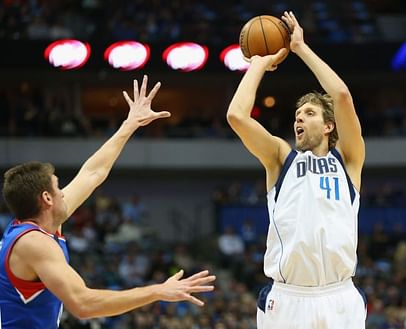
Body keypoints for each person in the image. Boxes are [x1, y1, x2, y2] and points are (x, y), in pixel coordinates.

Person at [0, 75, 216, 328]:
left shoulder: (41, 225)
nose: (63, 192)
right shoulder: (34, 242)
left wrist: (130, 124)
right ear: (46, 198)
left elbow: (92, 173)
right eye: (58, 187)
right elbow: (84, 304)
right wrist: (157, 291)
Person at [227, 12, 366, 328]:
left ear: (329, 125)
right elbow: (236, 116)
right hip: (288, 298)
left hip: (340, 296)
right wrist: (259, 63)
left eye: (310, 113)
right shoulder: (280, 157)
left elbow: (342, 96)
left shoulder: (348, 159)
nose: (299, 119)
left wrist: (301, 48)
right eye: (297, 114)